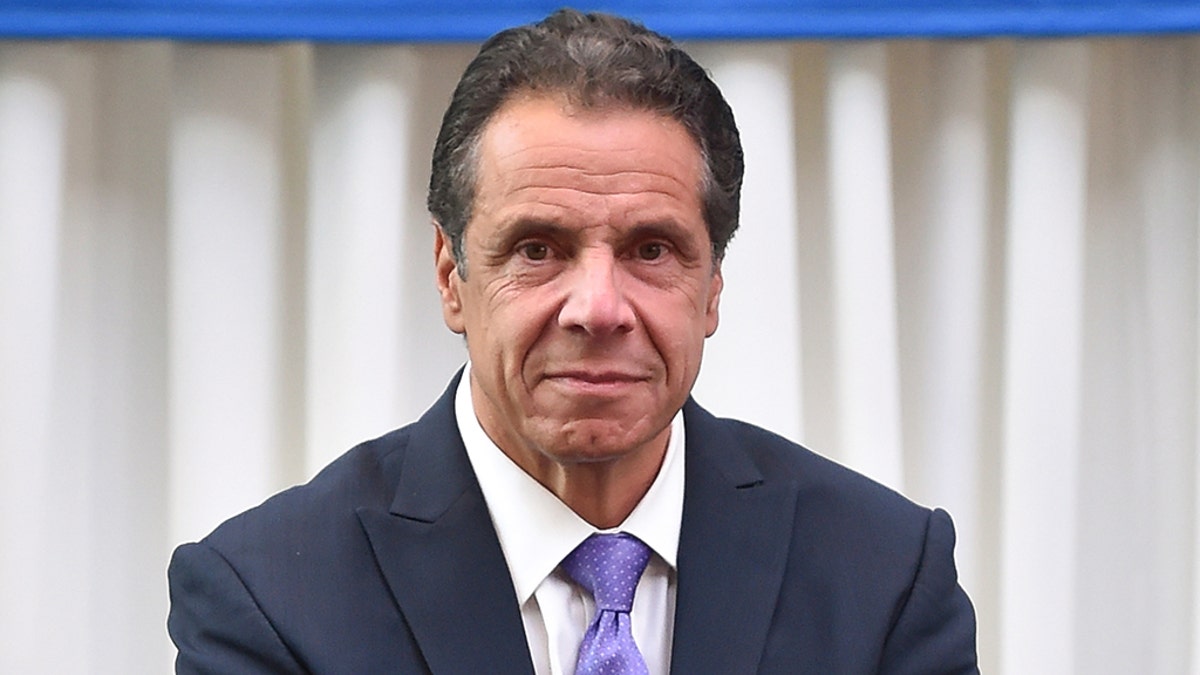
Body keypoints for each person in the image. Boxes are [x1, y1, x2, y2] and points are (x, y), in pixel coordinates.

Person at [167, 8, 978, 674]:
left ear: (714, 287)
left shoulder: (886, 578)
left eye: (651, 250)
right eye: (538, 249)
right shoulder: (268, 602)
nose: (598, 307)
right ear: (451, 275)